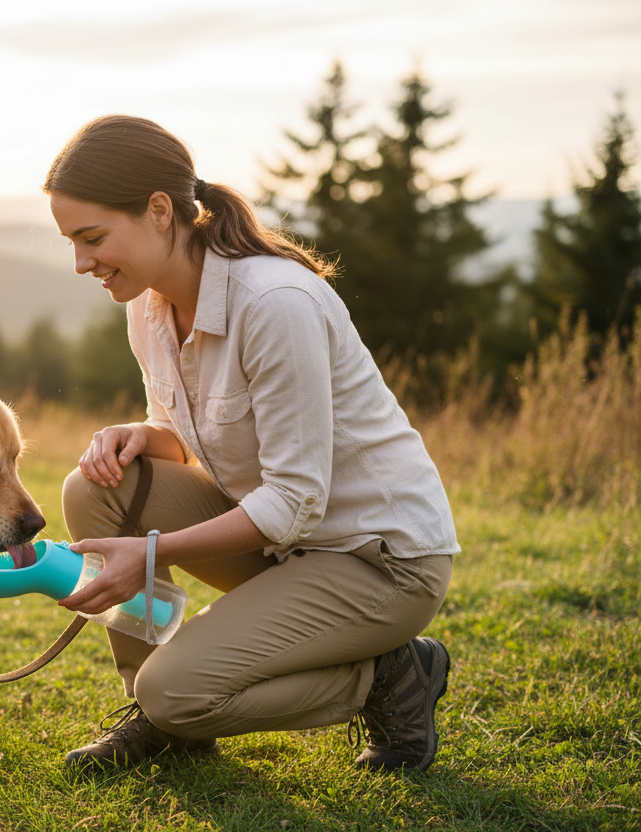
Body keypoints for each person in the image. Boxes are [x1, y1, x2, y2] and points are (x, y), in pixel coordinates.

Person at [45, 115, 457, 773]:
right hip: (281, 544)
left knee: (175, 692)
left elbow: (295, 500)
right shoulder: (146, 307)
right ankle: (161, 722)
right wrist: (140, 436)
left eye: (92, 238)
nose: (81, 262)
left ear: (158, 211)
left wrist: (147, 554)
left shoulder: (275, 303)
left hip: (378, 561)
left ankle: (389, 675)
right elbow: (183, 439)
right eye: (71, 241)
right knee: (96, 486)